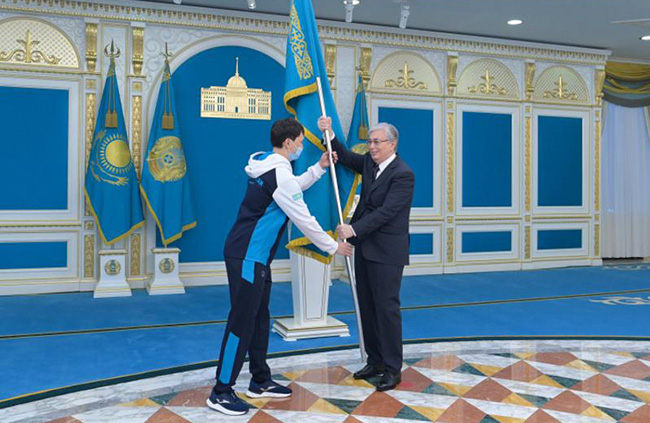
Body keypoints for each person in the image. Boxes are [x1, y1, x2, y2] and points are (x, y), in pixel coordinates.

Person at [207, 117, 353, 416]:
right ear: (288, 142)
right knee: (241, 323)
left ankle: (259, 380)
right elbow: (303, 217)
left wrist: (318, 168)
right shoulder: (279, 175)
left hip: (255, 256)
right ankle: (220, 391)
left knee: (260, 319)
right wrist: (333, 246)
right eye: (299, 142)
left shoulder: (269, 166)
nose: (301, 147)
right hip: (248, 256)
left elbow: (291, 188)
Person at [318, 116, 414, 392]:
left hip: (387, 252)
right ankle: (375, 361)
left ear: (392, 144)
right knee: (367, 308)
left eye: (377, 142)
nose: (371, 147)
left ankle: (393, 369)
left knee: (386, 310)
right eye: (370, 141)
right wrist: (329, 133)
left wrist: (353, 229)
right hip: (366, 248)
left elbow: (387, 212)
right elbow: (346, 157)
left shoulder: (403, 174)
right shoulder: (370, 164)